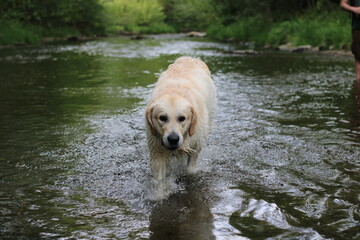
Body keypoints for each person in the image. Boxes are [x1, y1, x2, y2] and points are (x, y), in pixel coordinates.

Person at [341, 0, 360, 81]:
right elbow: (342, 4)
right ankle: (358, 87)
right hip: (358, 27)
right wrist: (355, 9)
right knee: (359, 57)